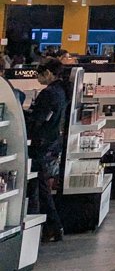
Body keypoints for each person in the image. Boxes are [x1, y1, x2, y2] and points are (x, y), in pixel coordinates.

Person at [26, 60, 66, 242]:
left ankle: (54, 227)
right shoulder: (60, 91)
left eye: (39, 74)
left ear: (48, 73)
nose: (37, 78)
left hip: (42, 146)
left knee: (42, 188)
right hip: (50, 144)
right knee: (40, 187)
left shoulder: (49, 94)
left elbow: (38, 119)